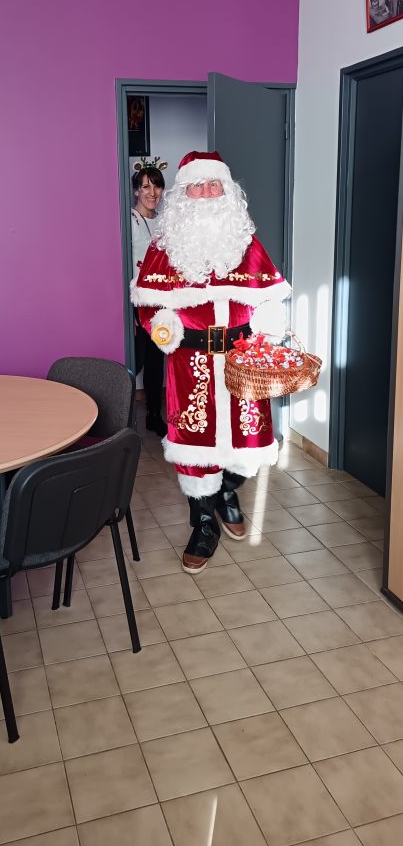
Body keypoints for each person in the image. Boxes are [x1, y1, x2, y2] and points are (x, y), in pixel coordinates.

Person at [131, 150, 291, 573]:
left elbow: (270, 295)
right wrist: (166, 327)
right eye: (197, 186)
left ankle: (227, 491)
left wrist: (270, 325)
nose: (206, 193)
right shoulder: (164, 247)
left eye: (214, 184)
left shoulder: (246, 242)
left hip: (242, 359)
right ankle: (203, 523)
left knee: (248, 442)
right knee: (194, 444)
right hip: (190, 363)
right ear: (184, 193)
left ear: (227, 191)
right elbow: (148, 305)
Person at [131, 164, 168, 437]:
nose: (152, 192)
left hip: (161, 302)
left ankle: (154, 415)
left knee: (157, 362)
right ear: (136, 191)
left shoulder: (165, 223)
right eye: (145, 186)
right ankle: (121, 420)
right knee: (136, 361)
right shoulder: (128, 222)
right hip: (137, 303)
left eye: (156, 186)